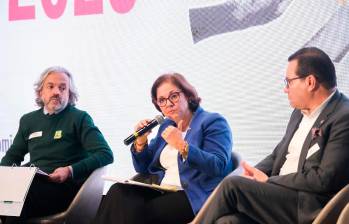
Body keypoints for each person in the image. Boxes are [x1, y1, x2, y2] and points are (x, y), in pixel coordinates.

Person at [200, 47, 349, 224]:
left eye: (289, 82)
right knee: (228, 222)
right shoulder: (298, 113)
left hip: (307, 205)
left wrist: (270, 181)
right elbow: (278, 154)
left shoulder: (343, 116)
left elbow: (324, 179)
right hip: (278, 199)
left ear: (310, 82)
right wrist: (253, 174)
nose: (285, 90)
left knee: (232, 186)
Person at [93, 73, 233, 224]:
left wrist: (182, 145)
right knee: (118, 192)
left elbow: (218, 165)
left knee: (136, 213)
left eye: (173, 96)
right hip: (163, 190)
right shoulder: (167, 125)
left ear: (187, 94)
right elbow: (143, 168)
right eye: (162, 100)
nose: (168, 104)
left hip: (194, 195)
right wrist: (141, 141)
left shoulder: (213, 122)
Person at [0, 66, 114, 224]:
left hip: (66, 190)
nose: (56, 92)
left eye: (63, 88)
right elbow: (12, 156)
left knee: (18, 196)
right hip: (34, 186)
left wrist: (69, 170)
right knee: (11, 194)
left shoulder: (79, 118)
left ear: (69, 94)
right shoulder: (28, 120)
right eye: (50, 86)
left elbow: (105, 154)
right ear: (41, 92)